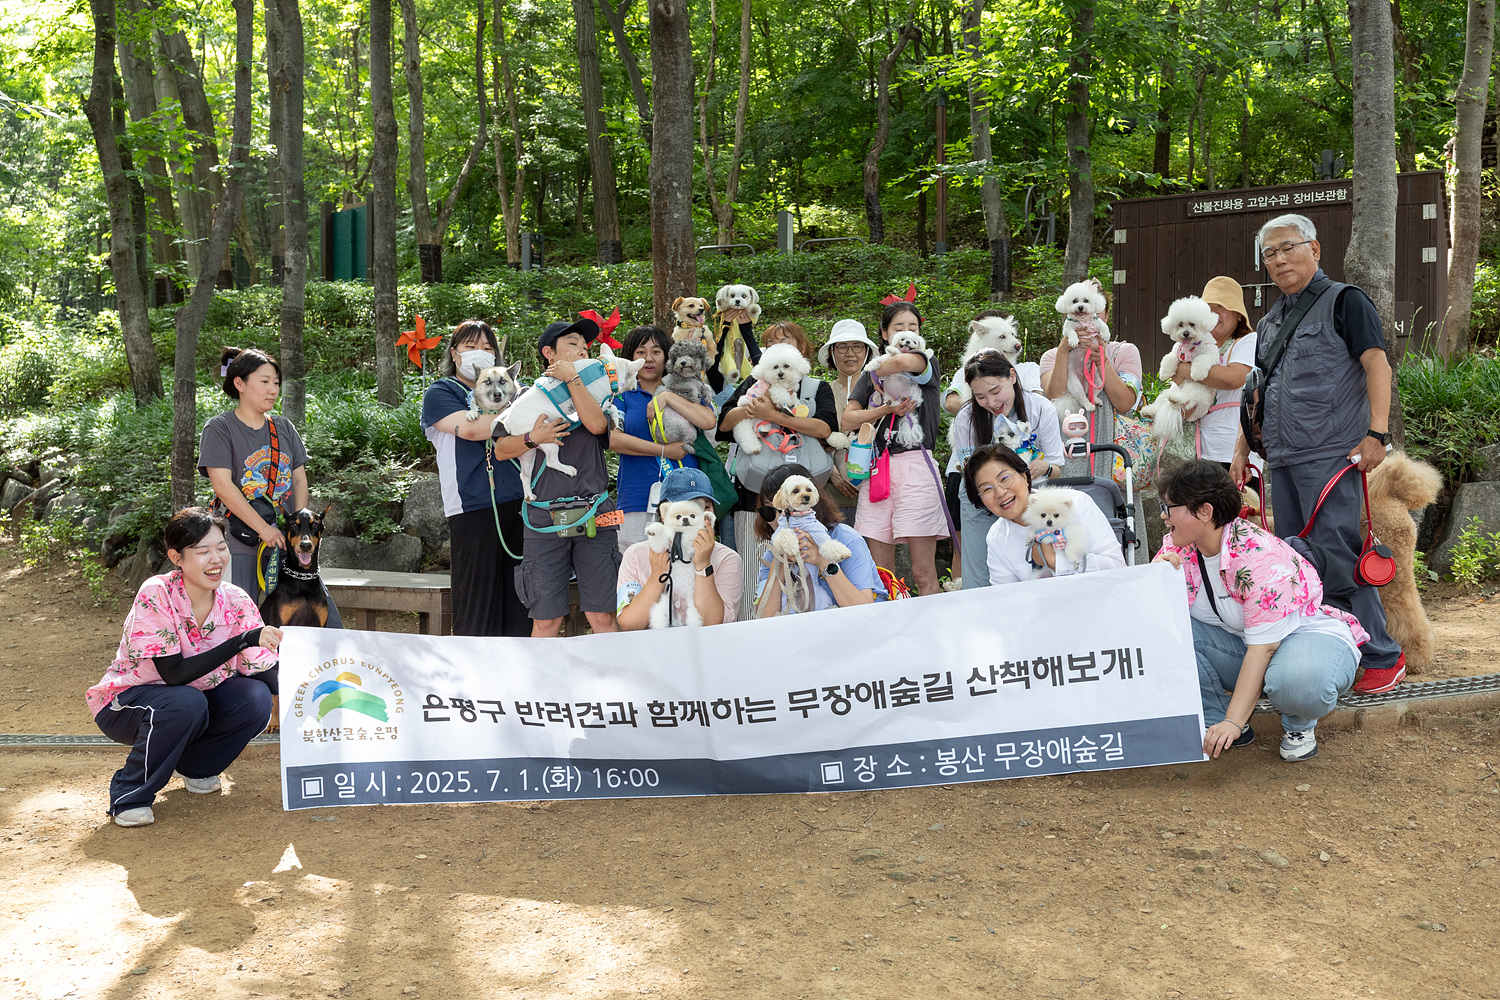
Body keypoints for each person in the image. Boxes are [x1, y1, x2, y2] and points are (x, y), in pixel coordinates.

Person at [1230, 213, 1404, 693]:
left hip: (1332, 454)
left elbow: (1377, 364)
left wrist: (1377, 434)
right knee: (1295, 562)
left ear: (1315, 249)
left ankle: (1382, 656)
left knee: (1335, 553)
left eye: (1289, 247)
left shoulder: (1345, 301)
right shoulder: (1268, 323)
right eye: (1270, 253)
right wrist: (1243, 449)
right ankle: (1330, 647)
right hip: (1280, 458)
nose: (1280, 259)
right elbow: (1257, 393)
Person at [1153, 460, 1366, 762]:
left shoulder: (1259, 558)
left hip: (1307, 637)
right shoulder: (1179, 547)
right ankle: (1217, 724)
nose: (1163, 516)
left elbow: (1263, 650)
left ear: (1204, 511)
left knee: (1297, 684)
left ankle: (1297, 723)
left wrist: (1234, 720)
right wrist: (1155, 579)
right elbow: (1153, 619)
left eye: (1168, 507)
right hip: (1245, 643)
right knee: (1161, 633)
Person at [87, 507, 282, 827]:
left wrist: (310, 684)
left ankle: (198, 766)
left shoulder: (236, 599)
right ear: (176, 557)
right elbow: (174, 674)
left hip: (196, 705)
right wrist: (243, 640)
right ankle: (129, 794)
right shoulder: (157, 593)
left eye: (221, 547)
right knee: (185, 702)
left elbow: (263, 670)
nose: (216, 558)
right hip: (129, 704)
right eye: (203, 551)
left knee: (256, 697)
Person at [421, 319, 552, 636]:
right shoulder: (441, 392)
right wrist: (513, 404)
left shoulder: (512, 391)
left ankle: (516, 677)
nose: (479, 353)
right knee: (477, 606)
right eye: (470, 347)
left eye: (487, 347)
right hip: (473, 507)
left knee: (521, 601)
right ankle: (472, 679)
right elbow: (471, 428)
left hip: (522, 504)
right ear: (455, 354)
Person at [199, 347, 342, 627]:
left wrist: (298, 526)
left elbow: (299, 479)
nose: (272, 389)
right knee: (240, 625)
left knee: (326, 625)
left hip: (287, 547)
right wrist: (264, 529)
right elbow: (223, 486)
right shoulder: (219, 428)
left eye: (276, 383)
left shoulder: (284, 428)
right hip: (240, 544)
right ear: (239, 383)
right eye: (264, 382)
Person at [720, 320, 840, 621]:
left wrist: (773, 415)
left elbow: (825, 427)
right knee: (756, 572)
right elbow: (723, 424)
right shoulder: (754, 383)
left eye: (786, 340)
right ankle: (755, 630)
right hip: (756, 498)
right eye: (771, 343)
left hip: (807, 503)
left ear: (801, 348)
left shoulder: (816, 388)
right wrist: (749, 410)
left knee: (810, 570)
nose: (778, 346)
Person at [513, 316, 622, 637]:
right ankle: (538, 688)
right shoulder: (528, 398)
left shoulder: (598, 394)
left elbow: (597, 426)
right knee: (546, 620)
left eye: (585, 345)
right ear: (549, 353)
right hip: (543, 519)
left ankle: (621, 686)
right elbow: (502, 447)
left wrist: (574, 379)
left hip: (594, 515)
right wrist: (533, 438)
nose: (582, 349)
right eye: (572, 343)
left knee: (602, 617)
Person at [840, 301, 948, 596]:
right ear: (884, 334)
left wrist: (876, 370)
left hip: (917, 466)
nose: (906, 333)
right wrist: (885, 409)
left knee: (922, 572)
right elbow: (848, 418)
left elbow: (901, 363)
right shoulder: (869, 375)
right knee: (880, 573)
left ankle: (934, 632)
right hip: (879, 470)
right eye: (898, 328)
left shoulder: (926, 362)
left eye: (912, 328)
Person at [948, 352, 1066, 589]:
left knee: (1033, 569)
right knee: (979, 575)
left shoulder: (1041, 408)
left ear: (1012, 376)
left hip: (1031, 498)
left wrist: (1045, 467)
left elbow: (1056, 470)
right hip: (981, 500)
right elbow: (971, 478)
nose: (991, 403)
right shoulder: (966, 417)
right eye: (980, 396)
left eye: (995, 391)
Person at [609, 324, 719, 551]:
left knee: (687, 567)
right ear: (630, 357)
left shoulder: (687, 389)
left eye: (656, 352)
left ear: (667, 357)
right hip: (636, 498)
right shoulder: (621, 396)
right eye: (641, 352)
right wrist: (663, 451)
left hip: (686, 499)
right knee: (637, 569)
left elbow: (708, 421)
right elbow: (613, 439)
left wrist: (667, 396)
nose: (648, 359)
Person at [964, 443, 1126, 586]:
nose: (999, 492)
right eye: (987, 489)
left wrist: (1057, 562)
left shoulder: (1075, 503)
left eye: (1005, 478)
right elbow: (1006, 598)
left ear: (1025, 476)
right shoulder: (997, 538)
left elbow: (1118, 567)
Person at [616, 468, 744, 629]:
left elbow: (713, 624)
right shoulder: (636, 554)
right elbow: (629, 624)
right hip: (651, 651)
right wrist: (657, 576)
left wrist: (704, 566)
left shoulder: (727, 558)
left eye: (705, 507)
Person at [754, 463, 887, 616]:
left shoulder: (845, 538)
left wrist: (823, 561)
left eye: (787, 509)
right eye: (769, 511)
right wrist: (779, 564)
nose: (779, 518)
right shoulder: (774, 549)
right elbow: (764, 618)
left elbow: (864, 609)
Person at [1038, 291, 1143, 478]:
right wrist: (1064, 351)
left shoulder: (1125, 352)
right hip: (1068, 449)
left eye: (1096, 310)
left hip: (1113, 449)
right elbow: (1054, 396)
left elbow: (1125, 403)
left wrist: (1103, 361)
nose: (1087, 317)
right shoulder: (1051, 356)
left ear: (1105, 314)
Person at [1169, 276, 1256, 466]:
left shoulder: (1248, 341)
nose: (1215, 314)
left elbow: (1234, 378)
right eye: (1209, 308)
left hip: (1232, 451)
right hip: (1194, 454)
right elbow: (1175, 384)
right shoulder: (1189, 345)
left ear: (1239, 314)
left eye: (1222, 307)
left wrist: (1183, 368)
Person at [817, 319, 881, 525]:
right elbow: (813, 439)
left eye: (857, 346)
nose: (850, 353)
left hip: (876, 489)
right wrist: (832, 475)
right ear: (832, 353)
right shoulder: (820, 391)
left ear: (867, 352)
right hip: (832, 492)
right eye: (842, 347)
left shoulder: (881, 390)